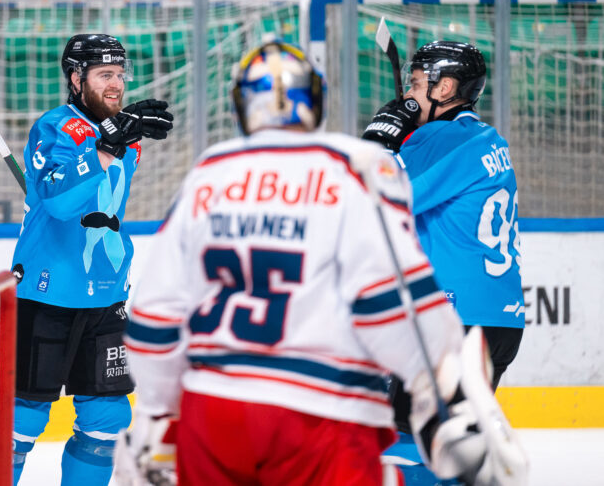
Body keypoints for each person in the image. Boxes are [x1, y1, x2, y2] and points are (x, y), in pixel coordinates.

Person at [116, 41, 525, 486]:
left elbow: (154, 315)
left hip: (217, 407)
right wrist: (447, 388)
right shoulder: (350, 171)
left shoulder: (208, 174)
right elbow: (394, 302)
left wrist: (159, 413)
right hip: (325, 408)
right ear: (314, 103)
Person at [0, 34, 173, 486]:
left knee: (107, 423)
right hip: (46, 295)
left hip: (106, 297)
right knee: (20, 424)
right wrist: (105, 144)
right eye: (105, 75)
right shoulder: (54, 127)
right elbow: (60, 202)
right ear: (75, 78)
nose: (116, 85)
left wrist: (114, 137)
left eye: (120, 75)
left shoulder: (128, 138)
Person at [362, 42, 524, 445]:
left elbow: (368, 195)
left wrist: (378, 140)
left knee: (411, 445)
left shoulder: (441, 139)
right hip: (498, 321)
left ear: (446, 88)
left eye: (416, 84)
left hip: (452, 323)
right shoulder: (486, 139)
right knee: (451, 446)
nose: (408, 95)